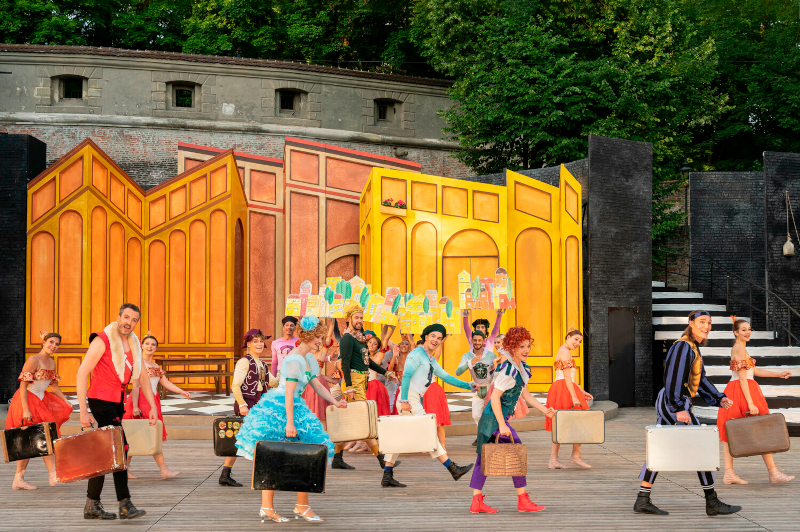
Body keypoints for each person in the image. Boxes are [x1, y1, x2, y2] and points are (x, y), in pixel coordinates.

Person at [235, 315, 347, 523]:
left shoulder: (309, 359)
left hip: (295, 406)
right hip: (281, 409)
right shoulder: (294, 360)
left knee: (309, 453)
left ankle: (301, 504)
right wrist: (289, 422)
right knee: (271, 456)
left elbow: (317, 384)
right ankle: (267, 507)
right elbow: (288, 393)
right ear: (309, 336)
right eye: (318, 337)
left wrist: (335, 401)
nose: (321, 341)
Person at [634, 310, 741, 517]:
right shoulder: (683, 346)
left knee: (660, 447)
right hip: (674, 401)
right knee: (699, 445)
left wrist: (719, 397)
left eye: (709, 323)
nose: (706, 326)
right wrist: (678, 408)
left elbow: (700, 379)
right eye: (702, 322)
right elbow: (673, 377)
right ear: (691, 323)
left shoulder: (691, 348)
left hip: (674, 401)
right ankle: (711, 501)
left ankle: (643, 499)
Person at [76, 303, 156, 520]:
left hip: (117, 402)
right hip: (100, 400)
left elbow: (143, 377)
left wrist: (152, 406)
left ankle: (92, 505)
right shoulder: (102, 340)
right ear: (119, 317)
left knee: (105, 453)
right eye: (126, 317)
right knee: (121, 447)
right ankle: (124, 503)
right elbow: (82, 373)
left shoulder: (134, 343)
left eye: (134, 320)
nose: (129, 323)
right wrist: (83, 411)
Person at [470, 326, 556, 513]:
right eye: (521, 346)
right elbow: (494, 398)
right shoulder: (508, 370)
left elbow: (526, 395)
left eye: (527, 346)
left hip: (493, 419)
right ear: (511, 347)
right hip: (493, 420)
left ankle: (477, 502)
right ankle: (522, 500)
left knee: (482, 460)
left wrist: (545, 410)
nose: (526, 350)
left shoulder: (521, 369)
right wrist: (502, 425)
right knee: (516, 454)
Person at [382, 324, 475, 488]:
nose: (435, 340)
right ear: (426, 337)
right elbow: (407, 375)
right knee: (427, 432)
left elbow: (446, 377)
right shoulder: (416, 354)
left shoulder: (430, 359)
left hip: (413, 398)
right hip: (409, 398)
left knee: (399, 435)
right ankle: (453, 468)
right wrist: (404, 400)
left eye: (439, 338)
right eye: (433, 336)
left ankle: (387, 475)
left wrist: (468, 385)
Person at [717, 317, 794, 484]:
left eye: (749, 329)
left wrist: (778, 374)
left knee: (735, 432)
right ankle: (771, 472)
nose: (747, 332)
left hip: (742, 389)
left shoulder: (742, 349)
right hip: (741, 391)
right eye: (743, 330)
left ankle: (732, 473)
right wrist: (750, 402)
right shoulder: (739, 349)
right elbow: (742, 378)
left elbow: (754, 371)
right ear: (736, 332)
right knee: (749, 430)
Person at [332, 304, 397, 471]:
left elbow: (368, 363)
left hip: (362, 381)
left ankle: (337, 458)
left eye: (361, 318)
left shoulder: (360, 339)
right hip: (353, 382)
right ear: (349, 319)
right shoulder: (347, 338)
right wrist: (349, 386)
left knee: (348, 419)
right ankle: (382, 459)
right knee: (364, 418)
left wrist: (386, 373)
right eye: (356, 318)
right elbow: (345, 363)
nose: (359, 320)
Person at [7, 331, 72, 490]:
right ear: (43, 342)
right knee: (32, 438)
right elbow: (23, 386)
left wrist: (65, 400)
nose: (54, 346)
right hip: (27, 400)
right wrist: (26, 409)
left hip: (41, 401)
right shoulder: (33, 360)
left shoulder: (52, 362)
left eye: (57, 344)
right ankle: (34, 477)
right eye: (51, 342)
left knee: (44, 436)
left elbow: (54, 386)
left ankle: (48, 475)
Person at [124, 332, 191, 480]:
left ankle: (128, 469)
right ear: (141, 346)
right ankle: (162, 469)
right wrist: (135, 407)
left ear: (156, 348)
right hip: (140, 400)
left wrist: (181, 391)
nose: (150, 346)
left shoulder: (155, 365)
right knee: (139, 434)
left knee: (148, 434)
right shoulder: (138, 362)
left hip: (153, 401)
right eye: (147, 343)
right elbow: (135, 386)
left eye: (153, 344)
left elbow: (164, 382)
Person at [220, 328, 272, 488]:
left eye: (261, 341)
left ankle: (225, 474)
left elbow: (274, 382)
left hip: (258, 404)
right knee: (257, 438)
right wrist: (242, 405)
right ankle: (262, 475)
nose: (259, 344)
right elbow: (235, 385)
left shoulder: (262, 364)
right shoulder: (245, 362)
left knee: (242, 439)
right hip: (247, 403)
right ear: (248, 344)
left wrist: (291, 374)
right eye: (255, 341)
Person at [545, 329, 593, 469]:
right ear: (568, 337)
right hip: (563, 389)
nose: (578, 343)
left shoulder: (564, 350)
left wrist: (582, 392)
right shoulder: (565, 351)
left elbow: (570, 378)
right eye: (576, 339)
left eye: (580, 341)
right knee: (575, 421)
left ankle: (558, 459)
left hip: (564, 387)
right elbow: (566, 377)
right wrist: (574, 396)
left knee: (562, 423)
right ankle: (573, 456)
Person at [456, 330, 496, 447]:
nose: (477, 342)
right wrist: (470, 362)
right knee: (476, 415)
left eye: (479, 340)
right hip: (477, 388)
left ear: (483, 341)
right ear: (471, 340)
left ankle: (485, 437)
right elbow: (458, 372)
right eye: (475, 340)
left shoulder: (491, 355)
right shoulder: (467, 356)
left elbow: (497, 371)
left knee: (490, 414)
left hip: (490, 387)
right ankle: (484, 434)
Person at [301, 319, 337, 429]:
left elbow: (328, 339)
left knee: (321, 413)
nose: (319, 341)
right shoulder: (304, 353)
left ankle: (323, 437)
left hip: (318, 383)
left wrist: (332, 323)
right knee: (308, 412)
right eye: (317, 338)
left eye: (320, 338)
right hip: (307, 384)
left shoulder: (322, 352)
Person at [365, 336, 392, 416]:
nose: (371, 345)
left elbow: (385, 339)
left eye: (375, 344)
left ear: (378, 347)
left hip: (372, 386)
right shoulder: (360, 354)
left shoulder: (379, 355)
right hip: (361, 384)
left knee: (373, 410)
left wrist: (390, 329)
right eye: (370, 342)